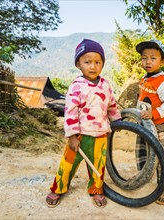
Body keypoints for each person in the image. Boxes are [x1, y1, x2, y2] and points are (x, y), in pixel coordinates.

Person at [45, 39, 122, 208]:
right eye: (87, 62)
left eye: (97, 62)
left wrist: (118, 121)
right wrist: (72, 136)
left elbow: (112, 105)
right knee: (68, 164)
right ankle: (58, 188)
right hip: (78, 137)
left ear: (102, 64)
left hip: (100, 136)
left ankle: (95, 190)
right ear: (79, 64)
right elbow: (70, 112)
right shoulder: (76, 87)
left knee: (98, 167)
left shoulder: (106, 85)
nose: (93, 67)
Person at [135, 39, 164, 205]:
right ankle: (143, 177)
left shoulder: (163, 82)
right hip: (143, 123)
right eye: (144, 58)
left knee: (162, 156)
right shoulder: (145, 78)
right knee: (142, 151)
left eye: (153, 58)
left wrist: (154, 114)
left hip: (157, 125)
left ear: (162, 61)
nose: (148, 61)